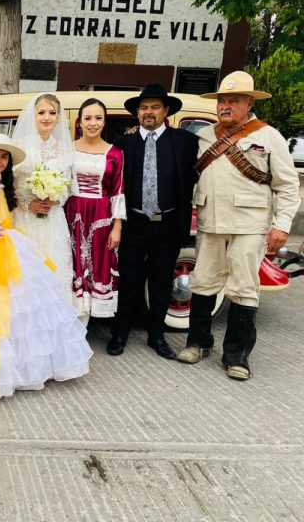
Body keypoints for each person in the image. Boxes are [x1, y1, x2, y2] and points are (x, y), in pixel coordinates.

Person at [0, 133, 93, 402]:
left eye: (4, 157)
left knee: (22, 305)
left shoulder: (4, 184)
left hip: (9, 241)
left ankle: (23, 365)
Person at [176, 71, 300, 380]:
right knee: (202, 282)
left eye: (233, 101)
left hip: (250, 225)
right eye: (222, 101)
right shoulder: (205, 136)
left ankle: (237, 356)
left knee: (244, 288)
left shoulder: (268, 136)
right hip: (210, 222)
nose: (225, 106)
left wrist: (281, 226)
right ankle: (198, 343)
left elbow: (287, 186)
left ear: (248, 103)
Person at [108, 84, 199, 358]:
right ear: (137, 112)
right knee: (129, 279)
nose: (149, 112)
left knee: (160, 282)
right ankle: (119, 333)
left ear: (166, 111)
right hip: (134, 221)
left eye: (155, 107)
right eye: (144, 107)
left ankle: (156, 336)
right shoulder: (123, 143)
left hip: (167, 223)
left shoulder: (185, 141)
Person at [64, 98, 125, 320]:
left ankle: (84, 324)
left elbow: (118, 191)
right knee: (72, 262)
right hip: (71, 212)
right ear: (79, 122)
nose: (93, 123)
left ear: (105, 122)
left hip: (101, 216)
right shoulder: (68, 149)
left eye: (98, 118)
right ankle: (70, 319)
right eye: (88, 118)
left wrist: (117, 227)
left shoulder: (115, 153)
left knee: (95, 263)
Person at [12, 93, 75, 306]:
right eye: (41, 112)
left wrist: (56, 199)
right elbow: (8, 183)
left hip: (52, 220)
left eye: (52, 113)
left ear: (58, 117)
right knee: (26, 269)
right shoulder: (19, 145)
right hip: (25, 216)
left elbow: (68, 186)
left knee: (53, 268)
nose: (46, 117)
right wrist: (27, 203)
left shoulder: (64, 149)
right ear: (33, 115)